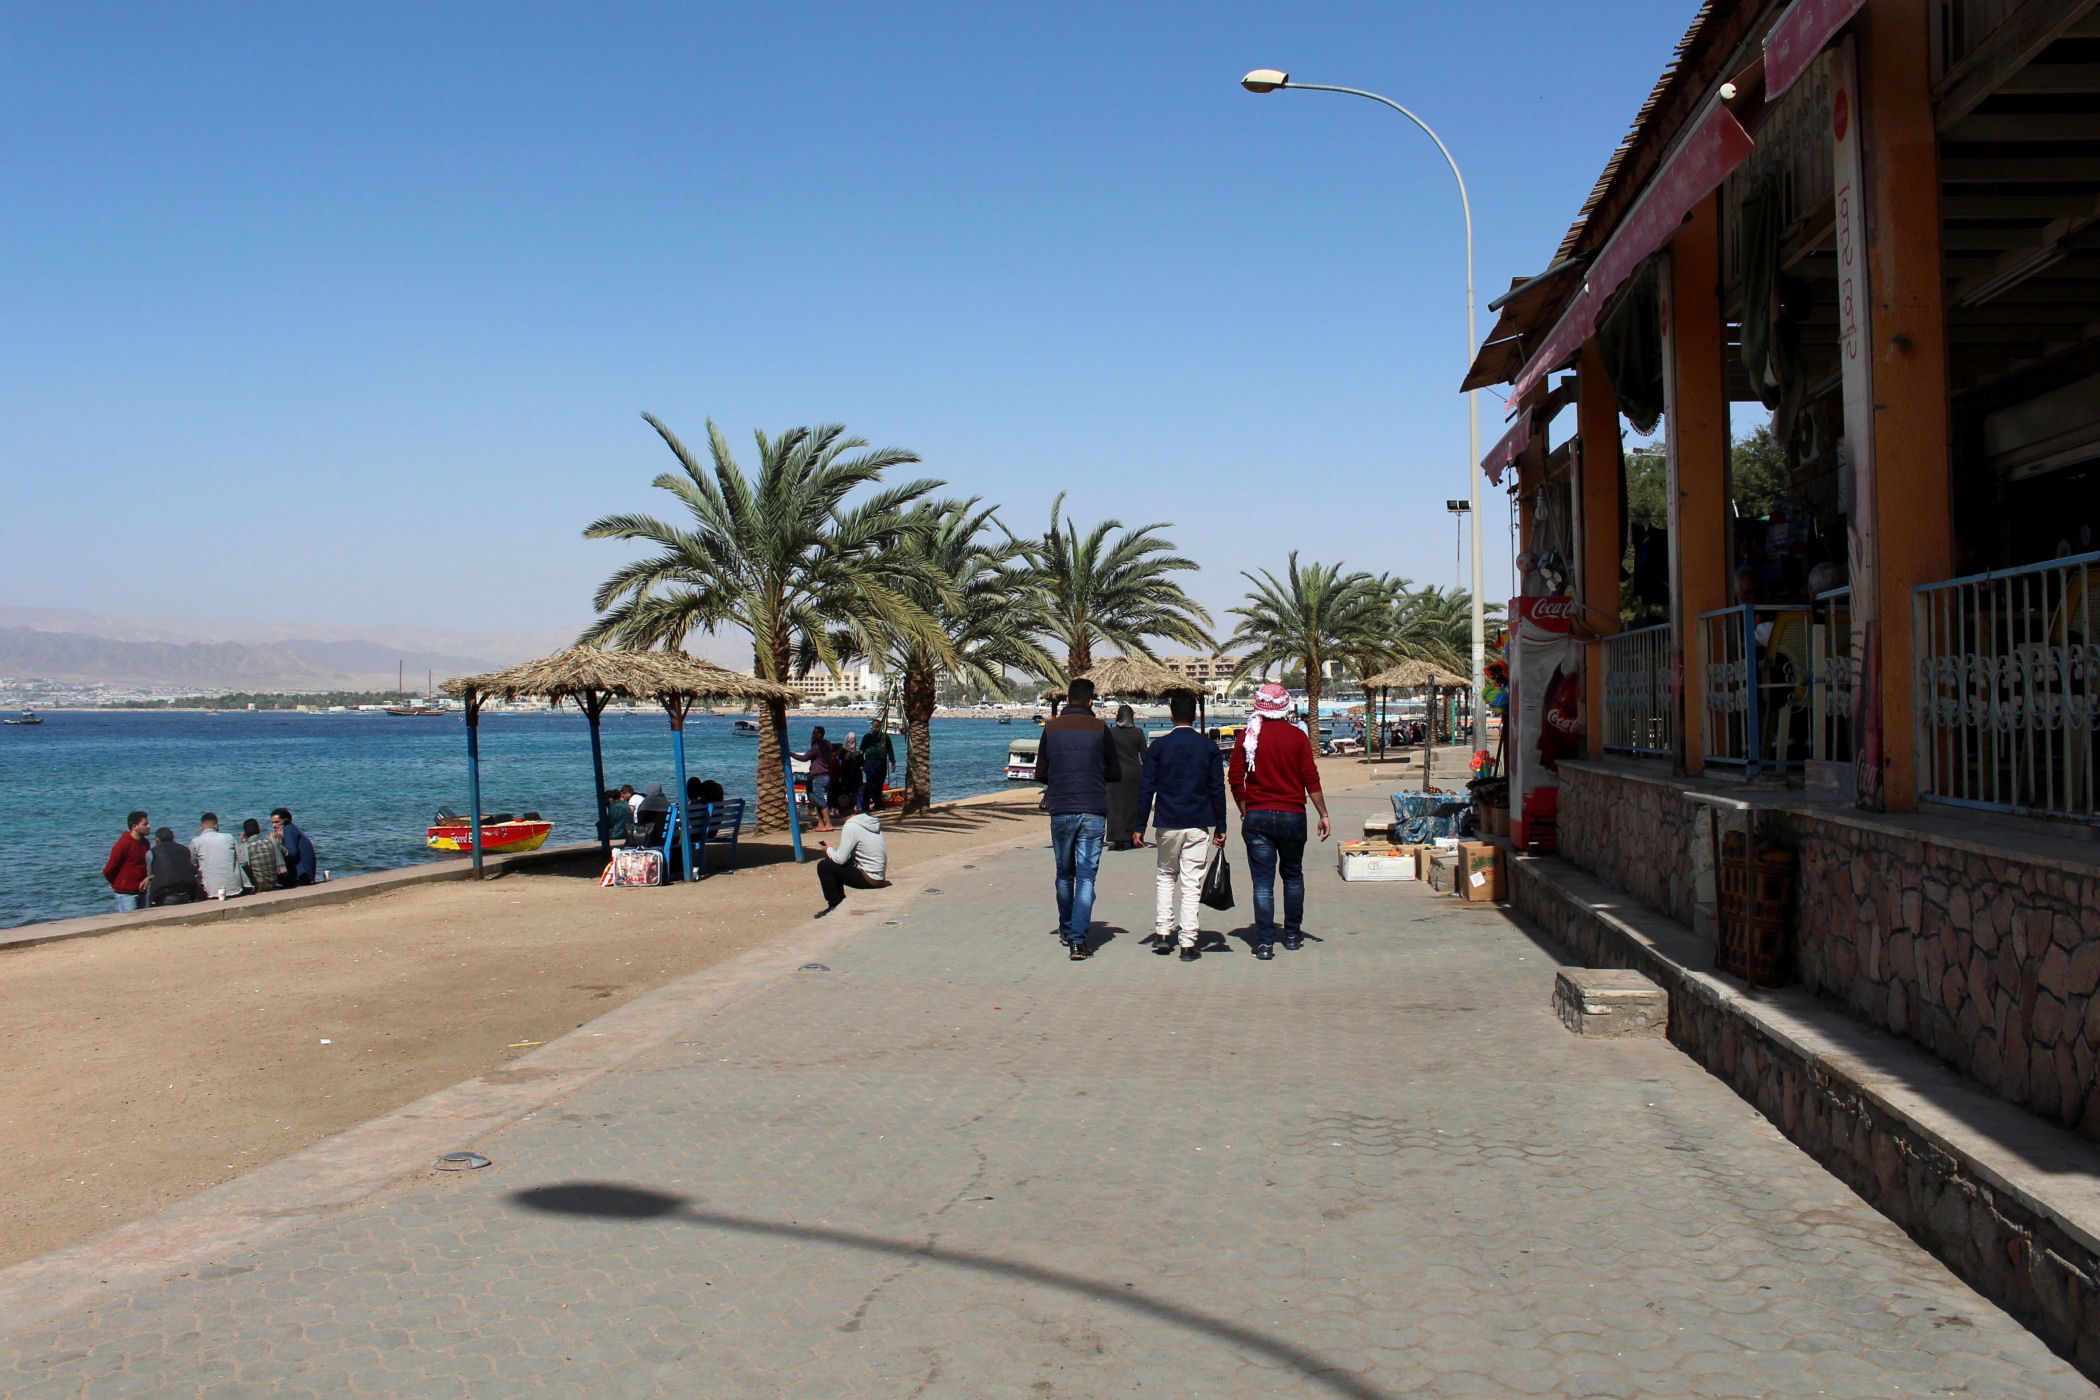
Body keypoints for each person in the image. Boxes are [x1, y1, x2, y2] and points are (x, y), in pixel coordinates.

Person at [1229, 682, 1331, 961]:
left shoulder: (1248, 736)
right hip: (1292, 816)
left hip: (1258, 816)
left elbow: (1235, 777)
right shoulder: (1297, 737)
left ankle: (1264, 943)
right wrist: (1323, 813)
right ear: (1285, 707)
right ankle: (1293, 935)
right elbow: (1311, 778)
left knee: (1263, 883)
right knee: (1293, 875)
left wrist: (1245, 809)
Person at [1136, 691, 1227, 961]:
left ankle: (1163, 933)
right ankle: (1188, 942)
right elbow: (1217, 789)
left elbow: (1146, 789)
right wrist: (1221, 825)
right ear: (1195, 716)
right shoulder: (1208, 747)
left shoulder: (1159, 747)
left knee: (1166, 876)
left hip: (1167, 822)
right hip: (1198, 822)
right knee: (1191, 882)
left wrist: (1139, 825)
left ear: (1171, 716)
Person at [1036, 677, 1121, 960]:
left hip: (1061, 809)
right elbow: (1115, 771)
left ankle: (1066, 927)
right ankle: (1078, 940)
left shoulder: (1051, 729)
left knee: (1064, 873)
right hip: (1093, 808)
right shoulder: (1100, 728)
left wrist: (1059, 779)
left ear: (1067, 700)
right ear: (1090, 701)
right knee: (1086, 877)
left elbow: (1040, 772)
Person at [813, 807, 889, 916]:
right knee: (835, 863)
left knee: (824, 866)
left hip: (870, 879)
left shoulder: (850, 826)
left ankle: (834, 904)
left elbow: (840, 859)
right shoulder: (869, 821)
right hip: (879, 875)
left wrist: (828, 850)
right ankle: (838, 901)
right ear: (854, 808)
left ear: (837, 811)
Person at [1105, 704, 1149, 851]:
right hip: (1134, 774)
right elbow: (1145, 755)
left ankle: (1117, 838)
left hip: (1115, 773)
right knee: (1133, 806)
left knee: (1115, 806)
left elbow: (1105, 754)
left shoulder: (1111, 732)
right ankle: (1132, 837)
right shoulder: (1138, 733)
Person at [102, 810, 151, 913]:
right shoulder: (123, 844)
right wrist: (115, 882)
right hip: (126, 894)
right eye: (145, 824)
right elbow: (108, 869)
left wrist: (148, 877)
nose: (149, 826)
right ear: (134, 826)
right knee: (131, 919)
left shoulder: (145, 843)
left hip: (142, 891)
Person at [191, 813, 243, 900]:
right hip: (235, 889)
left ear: (201, 827)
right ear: (216, 825)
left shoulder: (196, 842)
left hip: (211, 892)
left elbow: (192, 865)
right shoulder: (229, 837)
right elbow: (242, 861)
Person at [795, 727, 837, 833]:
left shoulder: (817, 747)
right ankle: (821, 823)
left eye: (814, 733)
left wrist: (790, 754)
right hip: (825, 775)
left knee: (820, 800)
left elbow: (804, 758)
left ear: (820, 734)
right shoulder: (827, 745)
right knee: (817, 800)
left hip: (819, 776)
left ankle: (828, 823)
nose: (812, 735)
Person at [147, 827, 204, 906]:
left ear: (157, 840)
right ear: (173, 838)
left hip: (165, 894)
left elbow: (151, 873)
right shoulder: (185, 849)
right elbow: (192, 869)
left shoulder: (152, 852)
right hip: (187, 892)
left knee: (148, 884)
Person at [270, 808, 317, 887]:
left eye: (277, 822)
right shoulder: (291, 828)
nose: (273, 825)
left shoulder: (288, 829)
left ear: (285, 820)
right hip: (304, 871)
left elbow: (292, 852)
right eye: (272, 823)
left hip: (302, 875)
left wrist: (279, 842)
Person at [237, 817, 283, 894]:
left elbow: (243, 864)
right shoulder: (271, 842)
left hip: (257, 886)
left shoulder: (245, 847)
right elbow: (285, 853)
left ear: (245, 834)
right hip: (273, 884)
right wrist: (279, 840)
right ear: (259, 829)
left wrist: (242, 844)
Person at [860, 719, 896, 812]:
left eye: (877, 727)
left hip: (882, 763)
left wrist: (893, 762)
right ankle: (865, 805)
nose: (875, 728)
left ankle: (878, 804)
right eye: (873, 727)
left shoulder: (885, 737)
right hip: (870, 763)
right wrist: (861, 763)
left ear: (880, 727)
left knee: (879, 784)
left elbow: (890, 750)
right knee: (870, 784)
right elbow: (862, 749)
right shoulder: (867, 737)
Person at [834, 732, 864, 819]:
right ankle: (857, 808)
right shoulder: (858, 752)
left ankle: (844, 809)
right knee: (856, 793)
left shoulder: (842, 751)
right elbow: (862, 763)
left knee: (845, 793)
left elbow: (838, 760)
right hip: (856, 776)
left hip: (845, 775)